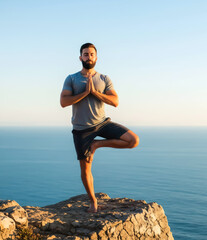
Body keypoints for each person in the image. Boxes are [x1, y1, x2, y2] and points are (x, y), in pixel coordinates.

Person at [60, 43, 139, 213]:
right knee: (86, 167)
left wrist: (95, 93)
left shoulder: (104, 79)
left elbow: (115, 101)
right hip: (82, 129)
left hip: (102, 123)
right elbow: (63, 102)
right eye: (85, 54)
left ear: (96, 57)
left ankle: (97, 145)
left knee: (133, 140)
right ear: (80, 58)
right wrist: (84, 93)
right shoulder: (71, 79)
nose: (89, 57)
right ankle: (93, 202)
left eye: (91, 54)